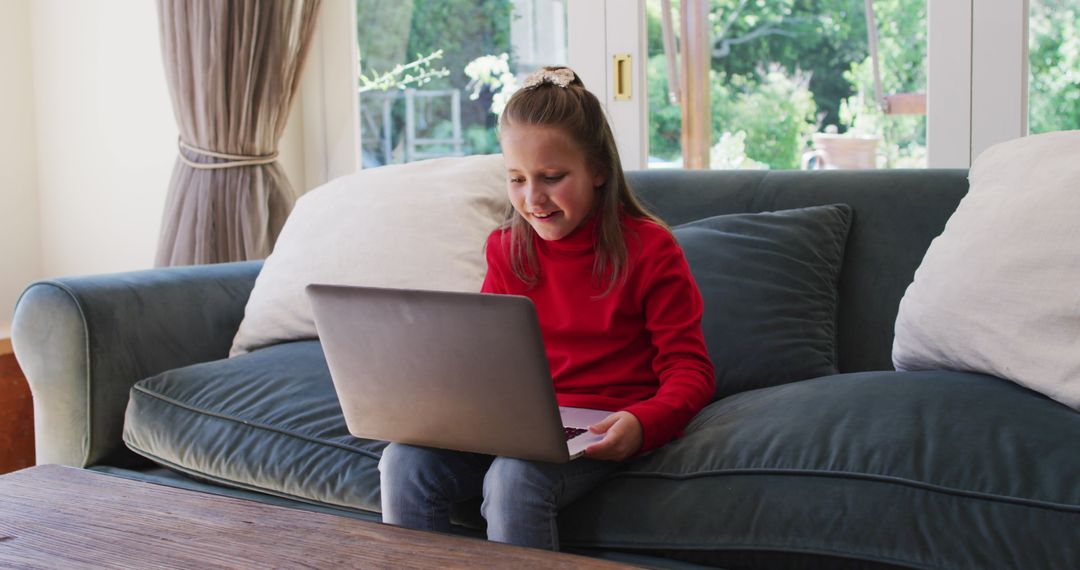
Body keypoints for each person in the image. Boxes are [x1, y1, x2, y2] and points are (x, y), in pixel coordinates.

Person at [378, 66, 715, 551]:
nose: (533, 198)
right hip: (517, 425)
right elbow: (485, 358)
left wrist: (643, 423)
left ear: (598, 170)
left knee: (513, 479)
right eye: (516, 179)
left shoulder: (650, 249)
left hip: (601, 427)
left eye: (552, 178)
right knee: (403, 462)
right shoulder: (506, 248)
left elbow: (691, 370)